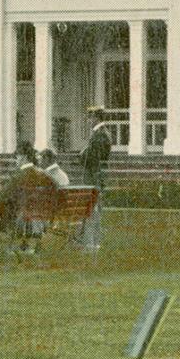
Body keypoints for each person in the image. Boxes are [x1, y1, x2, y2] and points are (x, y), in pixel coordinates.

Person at [77, 106, 112, 252]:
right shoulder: (100, 133)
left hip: (94, 177)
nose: (89, 120)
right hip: (96, 175)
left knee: (93, 210)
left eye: (90, 117)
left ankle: (91, 242)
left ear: (96, 118)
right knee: (93, 209)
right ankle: (90, 241)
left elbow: (92, 157)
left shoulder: (100, 134)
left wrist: (82, 155)